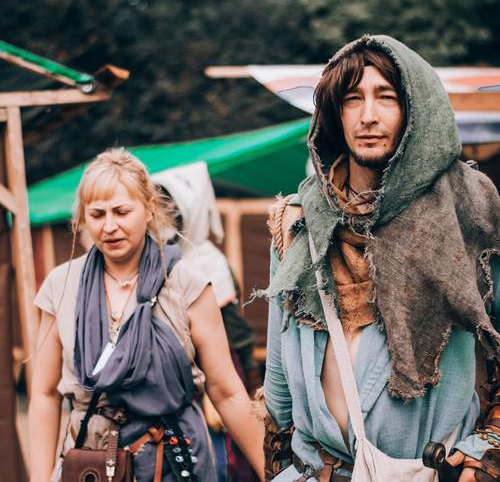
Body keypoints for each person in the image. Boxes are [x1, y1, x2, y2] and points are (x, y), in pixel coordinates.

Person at [260, 35, 500, 481]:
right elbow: (278, 377)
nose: (368, 115)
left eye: (386, 97)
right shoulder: (299, 223)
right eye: (353, 99)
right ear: (335, 114)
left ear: (415, 109)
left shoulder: (469, 213)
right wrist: (278, 461)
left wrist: (489, 445)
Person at [28, 148, 264, 482]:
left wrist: (273, 474)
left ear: (149, 208)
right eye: (97, 215)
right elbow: (44, 394)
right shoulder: (62, 285)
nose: (110, 226)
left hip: (173, 464)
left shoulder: (187, 285)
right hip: (91, 466)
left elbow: (227, 391)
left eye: (122, 212)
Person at [152, 162, 261, 481]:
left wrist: (246, 388)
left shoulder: (207, 264)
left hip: (216, 377)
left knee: (223, 461)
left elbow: (236, 333)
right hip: (174, 386)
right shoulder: (155, 263)